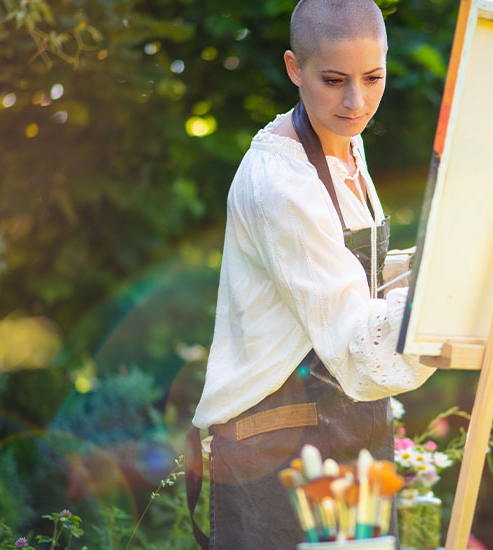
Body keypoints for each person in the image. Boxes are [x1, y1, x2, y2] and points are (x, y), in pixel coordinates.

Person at [185, 1, 436, 548]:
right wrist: (444, 302)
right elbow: (352, 337)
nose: (357, 100)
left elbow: (346, 272)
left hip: (345, 423)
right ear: (295, 68)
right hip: (275, 441)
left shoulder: (344, 142)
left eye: (373, 78)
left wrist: (427, 264)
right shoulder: (280, 180)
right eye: (334, 80)